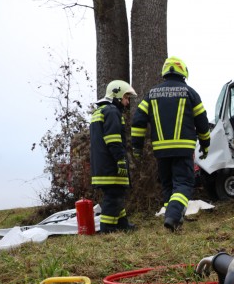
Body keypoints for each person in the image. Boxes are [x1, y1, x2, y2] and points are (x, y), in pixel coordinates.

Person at [131, 57, 210, 231]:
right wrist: (205, 145)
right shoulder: (190, 92)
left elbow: (138, 121)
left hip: (161, 150)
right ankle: (174, 216)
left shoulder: (151, 94)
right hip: (183, 149)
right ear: (183, 72)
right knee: (183, 184)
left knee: (168, 184)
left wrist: (136, 147)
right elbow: (202, 122)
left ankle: (172, 219)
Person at [89, 80, 138, 233]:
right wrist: (120, 160)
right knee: (113, 196)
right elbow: (113, 139)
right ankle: (107, 228)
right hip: (110, 164)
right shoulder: (111, 111)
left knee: (116, 194)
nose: (127, 102)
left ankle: (122, 224)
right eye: (126, 98)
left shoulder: (100, 111)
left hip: (101, 164)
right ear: (116, 95)